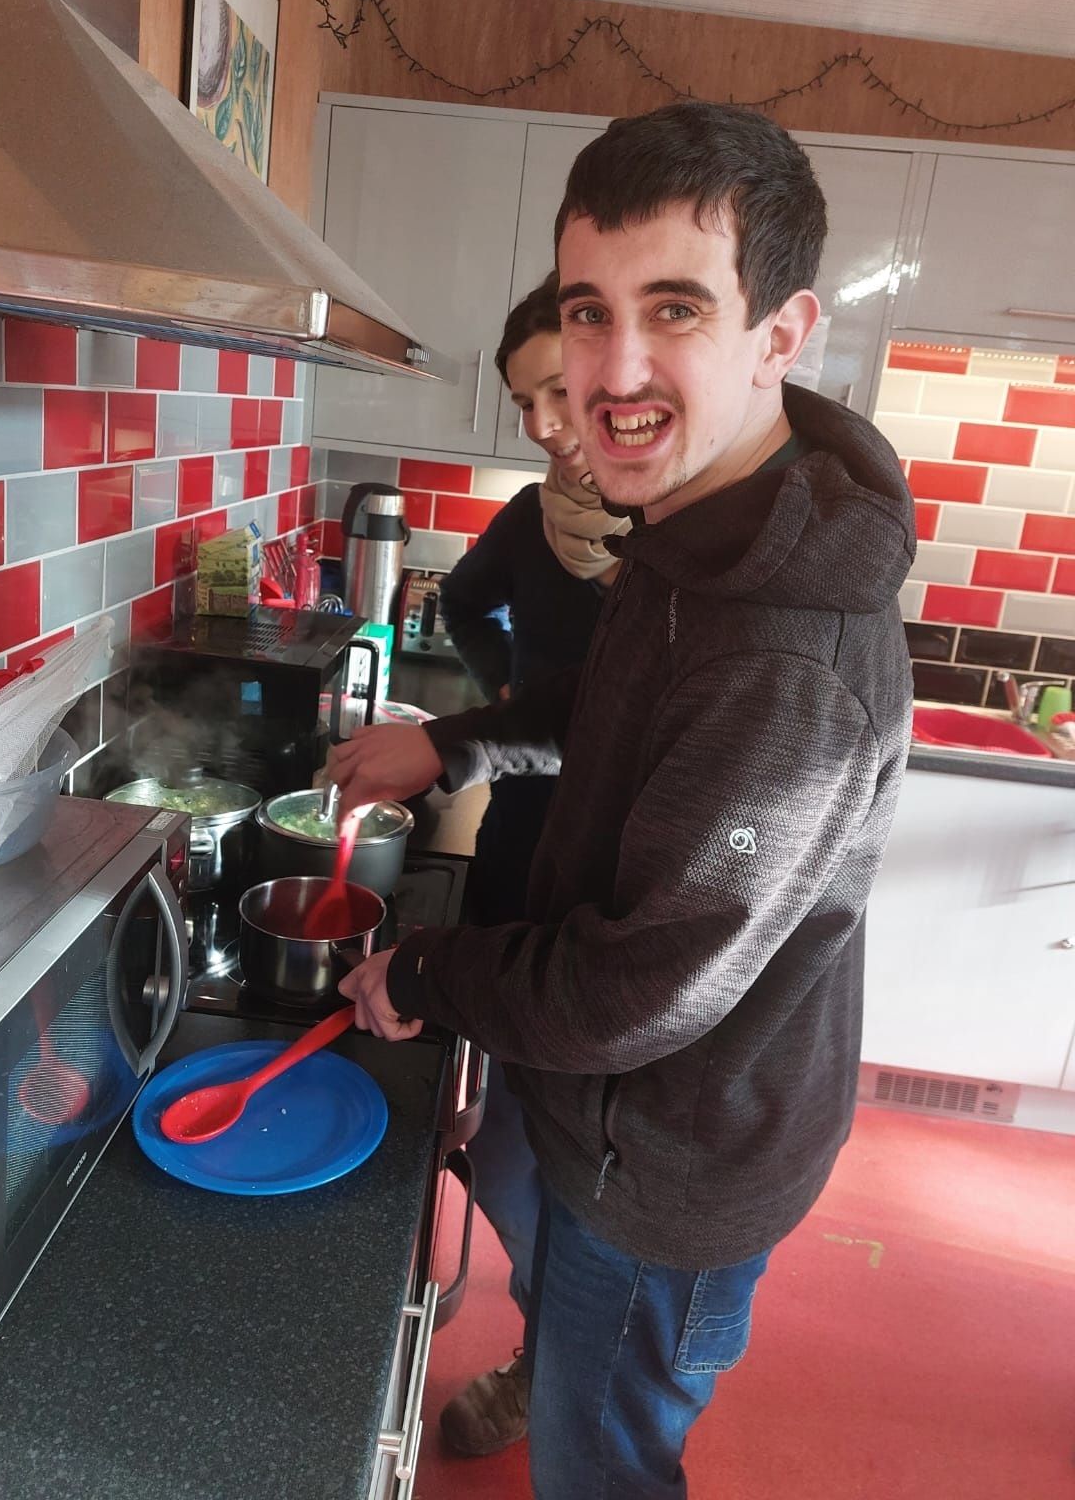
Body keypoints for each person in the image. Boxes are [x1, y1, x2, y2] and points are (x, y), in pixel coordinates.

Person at [332, 100, 915, 1499]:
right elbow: (604, 712)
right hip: (606, 1112)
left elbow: (640, 989)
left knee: (609, 1464)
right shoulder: (698, 526)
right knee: (565, 1327)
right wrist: (454, 745)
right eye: (590, 313)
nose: (615, 369)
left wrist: (425, 967)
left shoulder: (785, 658)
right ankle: (553, 1359)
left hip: (669, 1164)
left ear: (784, 334)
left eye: (675, 310)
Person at [436, 272, 628, 1458]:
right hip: (522, 848)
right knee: (504, 1141)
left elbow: (618, 718)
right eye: (527, 401)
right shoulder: (529, 518)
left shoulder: (669, 545)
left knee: (584, 1163)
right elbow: (462, 603)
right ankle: (542, 1341)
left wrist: (490, 724)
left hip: (614, 887)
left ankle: (551, 1367)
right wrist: (501, 696)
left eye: (559, 391)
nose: (548, 424)